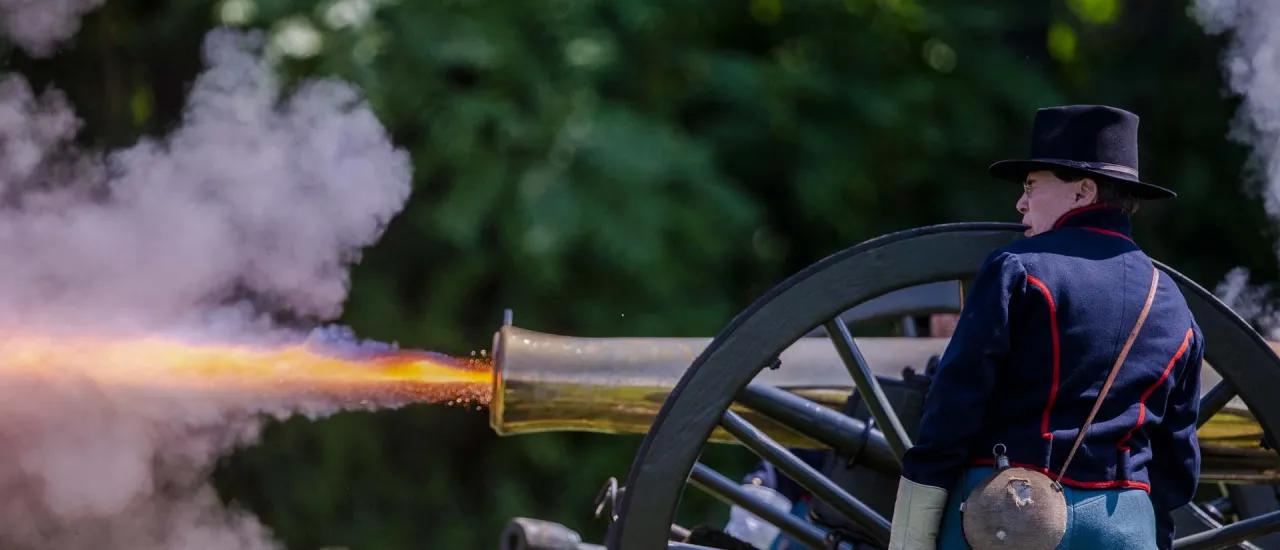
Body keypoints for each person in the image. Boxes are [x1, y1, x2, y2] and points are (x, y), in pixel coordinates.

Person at [887, 105, 1203, 550]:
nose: (1021, 202)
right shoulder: (1172, 302)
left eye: (1032, 186)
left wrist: (912, 534)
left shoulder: (1018, 268)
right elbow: (1178, 464)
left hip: (1010, 517)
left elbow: (954, 407)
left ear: (1083, 191)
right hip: (1124, 526)